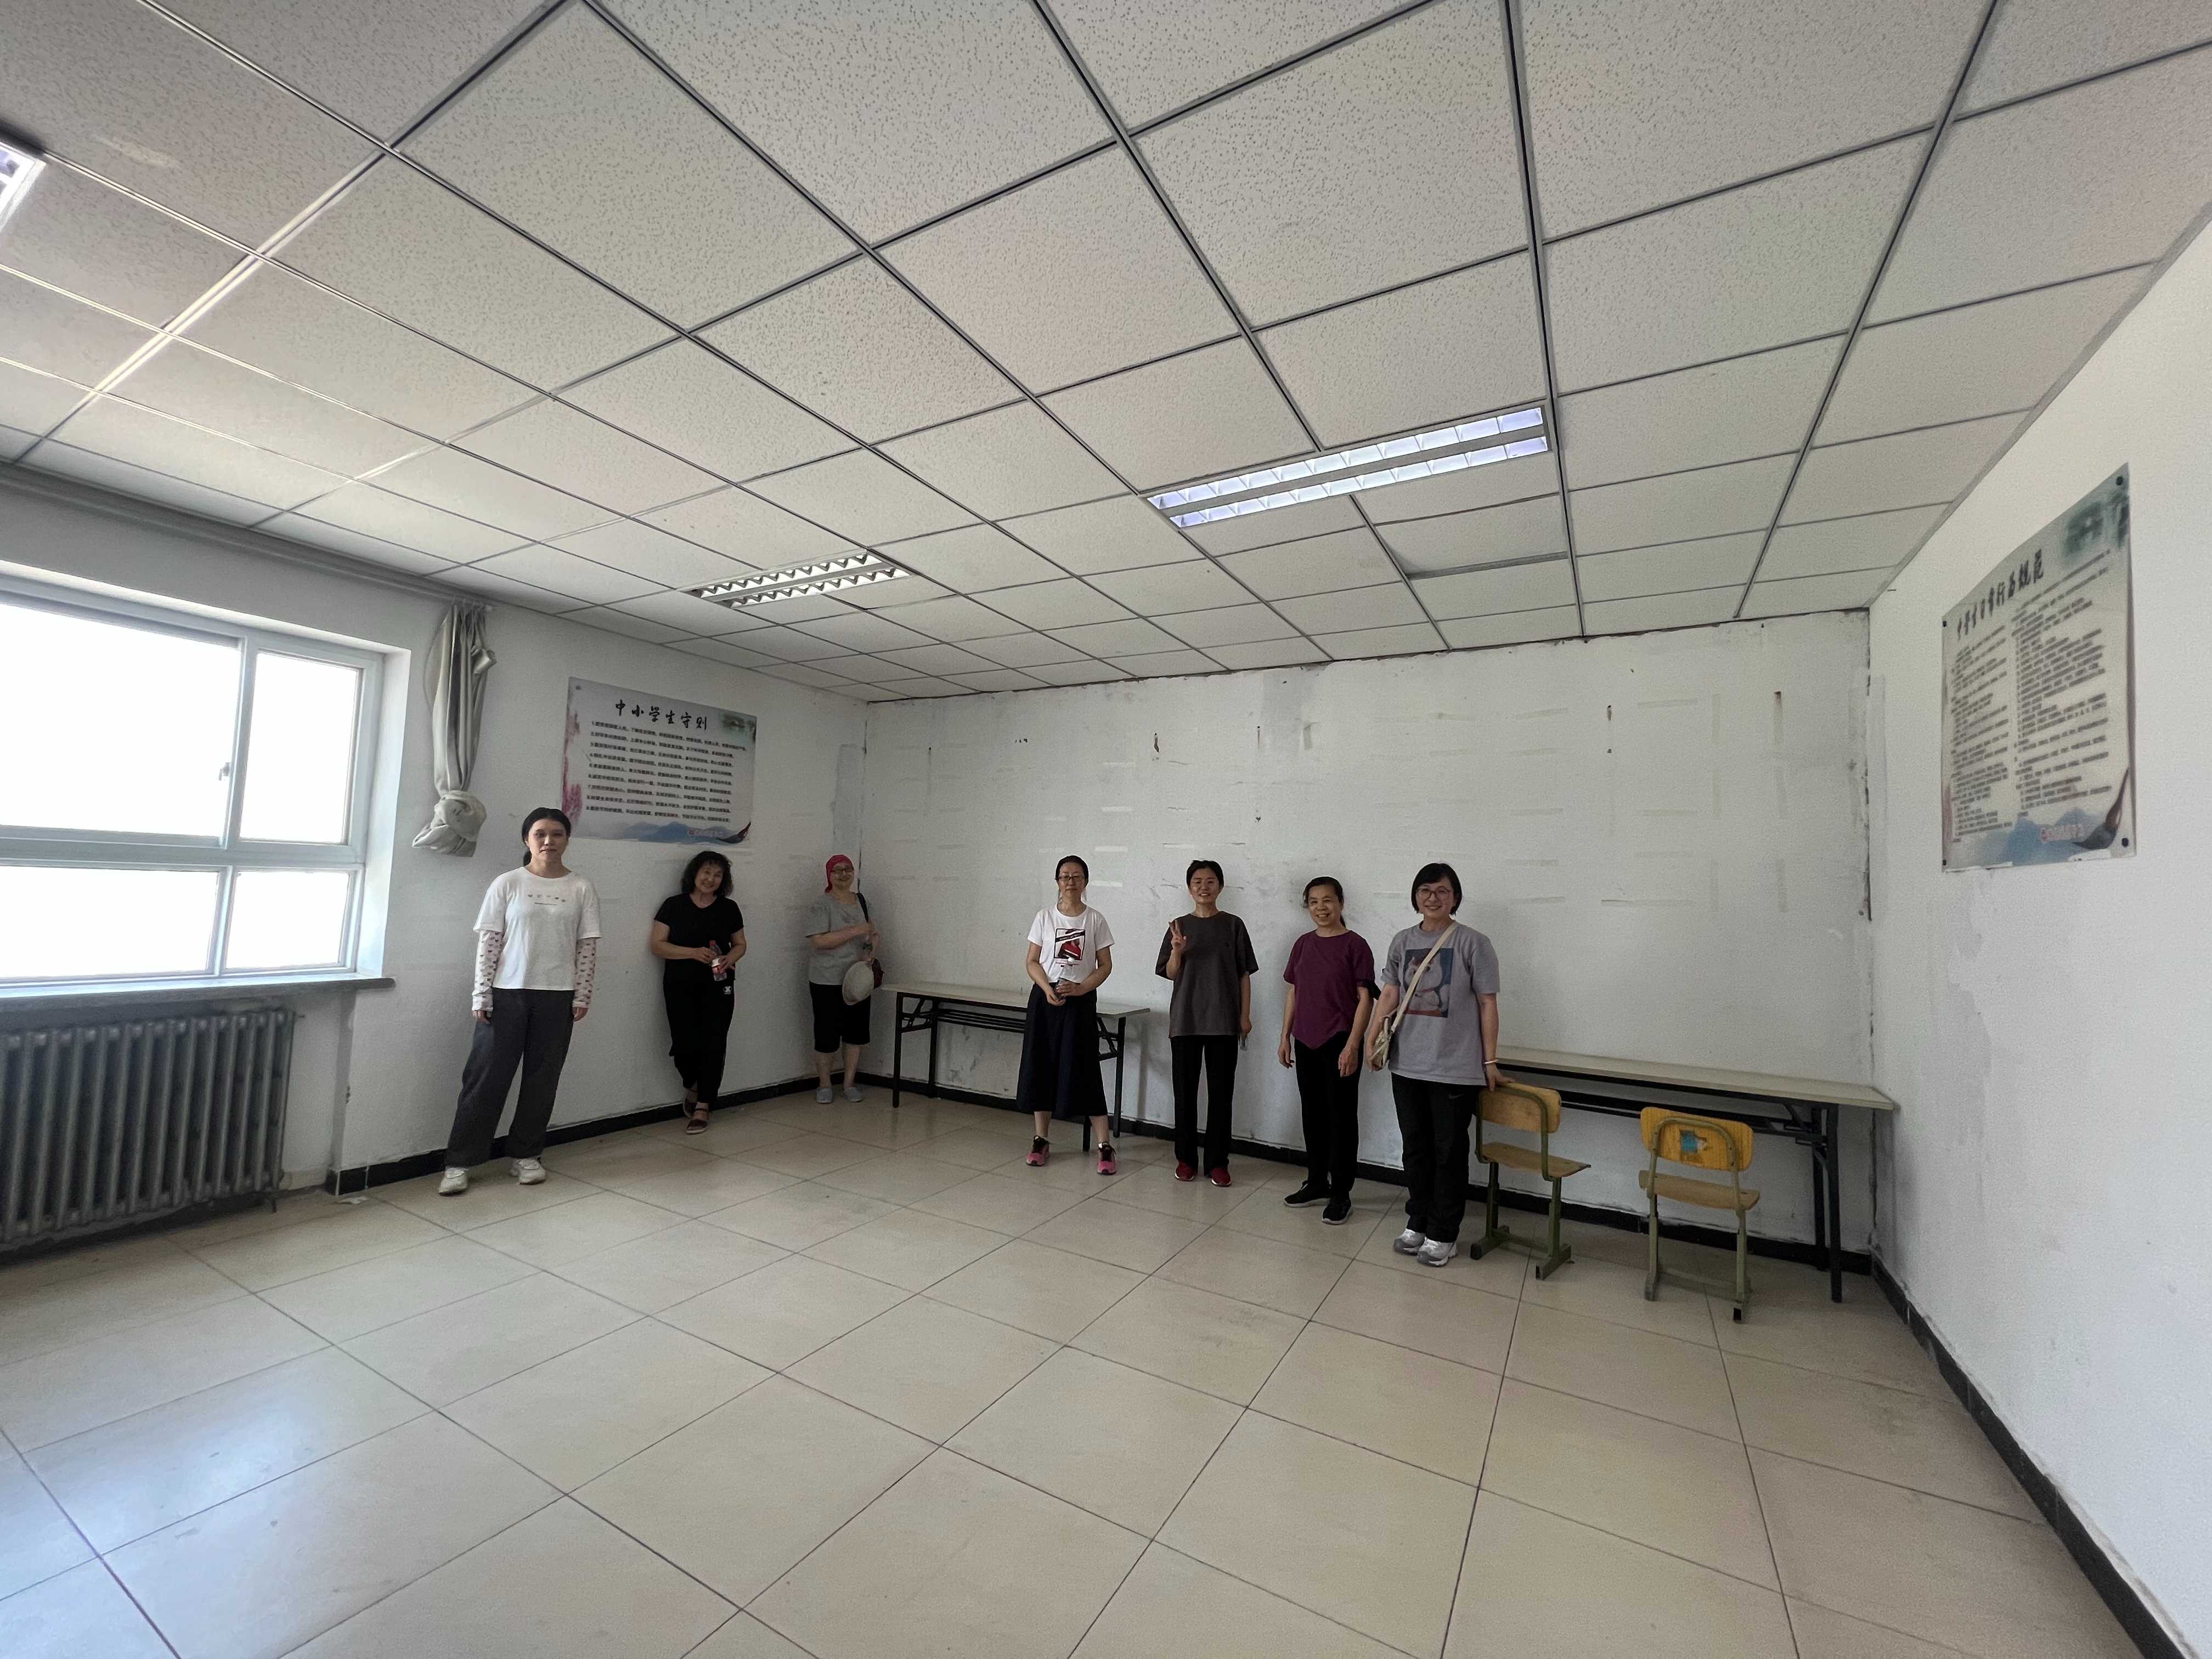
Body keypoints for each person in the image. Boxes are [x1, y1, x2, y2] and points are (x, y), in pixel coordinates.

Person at [439, 808, 600, 1196]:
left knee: (542, 1080)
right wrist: (481, 992)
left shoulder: (581, 887)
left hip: (558, 996)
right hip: (506, 994)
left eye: (557, 834)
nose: (549, 841)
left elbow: (587, 946)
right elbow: (489, 942)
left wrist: (582, 993)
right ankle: (460, 1162)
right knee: (485, 1079)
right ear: (527, 839)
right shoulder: (508, 883)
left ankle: (527, 1155)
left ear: (567, 839)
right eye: (540, 833)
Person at [1368, 862, 1500, 1266]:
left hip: (1455, 1068)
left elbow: (1488, 1003)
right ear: (1416, 896)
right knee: (1416, 1149)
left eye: (1442, 891)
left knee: (1448, 1153)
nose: (1433, 898)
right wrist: (1372, 1036)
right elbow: (1390, 993)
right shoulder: (1402, 941)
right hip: (1407, 1064)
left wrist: (1490, 1060)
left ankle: (1444, 1233)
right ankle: (1419, 1221)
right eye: (1425, 890)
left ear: (1455, 897)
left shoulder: (1474, 943)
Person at [1277, 876, 1375, 1224]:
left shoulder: (1355, 945)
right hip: (1306, 1040)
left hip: (1340, 1041)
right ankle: (1317, 1181)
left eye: (1328, 900)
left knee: (1341, 1119)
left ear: (1341, 904)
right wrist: (1285, 1036)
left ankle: (1341, 1192)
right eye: (1314, 902)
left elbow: (1366, 999)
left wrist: (1353, 1045)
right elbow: (1294, 992)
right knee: (1313, 1115)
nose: (1321, 907)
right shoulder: (1303, 944)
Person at [1156, 859, 1257, 1186]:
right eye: (1197, 882)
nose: (1204, 887)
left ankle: (1217, 1162)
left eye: (1210, 881)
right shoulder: (1178, 926)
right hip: (1185, 1021)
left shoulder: (1233, 925)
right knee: (1184, 1094)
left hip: (1224, 1021)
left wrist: (1244, 1016)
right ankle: (1186, 1159)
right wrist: (1177, 951)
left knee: (1221, 1095)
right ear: (1189, 888)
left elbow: (1244, 974)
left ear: (1220, 887)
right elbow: (1171, 973)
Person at [1018, 854, 1118, 1175]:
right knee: (1042, 1064)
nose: (1070, 882)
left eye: (1076, 876)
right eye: (1065, 876)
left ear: (1085, 882)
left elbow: (1106, 966)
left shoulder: (1095, 920)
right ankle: (1041, 1139)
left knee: (1086, 1067)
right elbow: (1032, 961)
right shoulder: (1044, 917)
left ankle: (1104, 1145)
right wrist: (1046, 988)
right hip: (1046, 999)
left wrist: (1082, 988)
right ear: (1057, 882)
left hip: (1080, 1001)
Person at [650, 851, 746, 1133]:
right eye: (706, 872)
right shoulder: (673, 906)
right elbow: (657, 945)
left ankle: (704, 1104)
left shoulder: (729, 908)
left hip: (719, 985)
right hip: (680, 985)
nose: (711, 879)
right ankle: (692, 1085)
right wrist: (692, 953)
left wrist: (731, 958)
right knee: (684, 1044)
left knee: (714, 1042)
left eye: (718, 875)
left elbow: (740, 944)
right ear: (694, 874)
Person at [804, 854, 876, 1103]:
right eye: (837, 870)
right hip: (827, 979)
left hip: (857, 979)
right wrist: (855, 930)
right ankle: (825, 1084)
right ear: (829, 875)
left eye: (848, 869)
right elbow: (818, 941)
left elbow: (871, 935)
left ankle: (849, 1084)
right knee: (827, 1034)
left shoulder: (862, 902)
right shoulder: (821, 905)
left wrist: (870, 952)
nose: (844, 874)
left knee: (856, 1033)